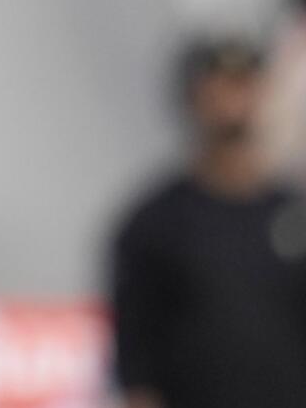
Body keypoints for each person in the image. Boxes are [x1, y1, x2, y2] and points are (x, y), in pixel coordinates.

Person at [109, 34, 306, 408]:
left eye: (244, 86)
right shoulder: (154, 225)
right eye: (218, 89)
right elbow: (136, 360)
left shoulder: (294, 216)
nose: (233, 104)